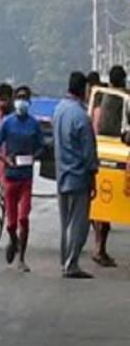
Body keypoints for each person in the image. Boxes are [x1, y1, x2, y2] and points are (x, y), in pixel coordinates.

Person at [0, 83, 43, 270]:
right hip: (10, 176)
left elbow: (42, 145)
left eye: (25, 98)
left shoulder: (34, 124)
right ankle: (14, 240)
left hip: (26, 178)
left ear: (29, 102)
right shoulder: (7, 122)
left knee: (23, 218)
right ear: (15, 99)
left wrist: (35, 155)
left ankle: (21, 258)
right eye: (19, 97)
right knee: (11, 224)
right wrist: (5, 159)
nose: (22, 101)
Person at [54, 70, 97, 278]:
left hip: (62, 174)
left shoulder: (59, 110)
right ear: (83, 89)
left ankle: (66, 260)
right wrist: (92, 176)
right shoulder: (81, 116)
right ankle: (71, 263)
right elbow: (89, 152)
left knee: (66, 223)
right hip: (78, 177)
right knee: (78, 224)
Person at [91, 71, 118, 267]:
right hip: (111, 155)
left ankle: (100, 248)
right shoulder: (116, 99)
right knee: (105, 208)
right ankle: (99, 249)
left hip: (103, 152)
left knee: (104, 207)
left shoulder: (107, 98)